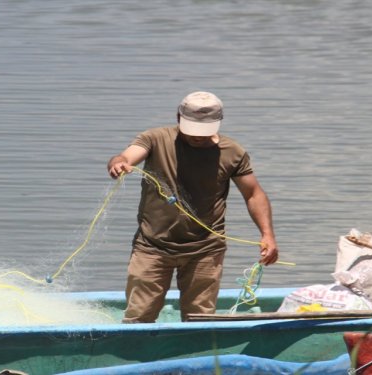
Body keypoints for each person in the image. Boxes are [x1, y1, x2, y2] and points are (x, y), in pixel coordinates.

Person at [107, 91, 279, 323]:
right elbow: (126, 156)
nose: (198, 137)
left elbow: (253, 193)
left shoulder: (232, 152)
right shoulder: (156, 138)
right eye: (192, 129)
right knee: (139, 316)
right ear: (178, 117)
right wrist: (119, 163)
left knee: (199, 318)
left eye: (204, 130)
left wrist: (267, 235)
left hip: (205, 249)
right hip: (153, 246)